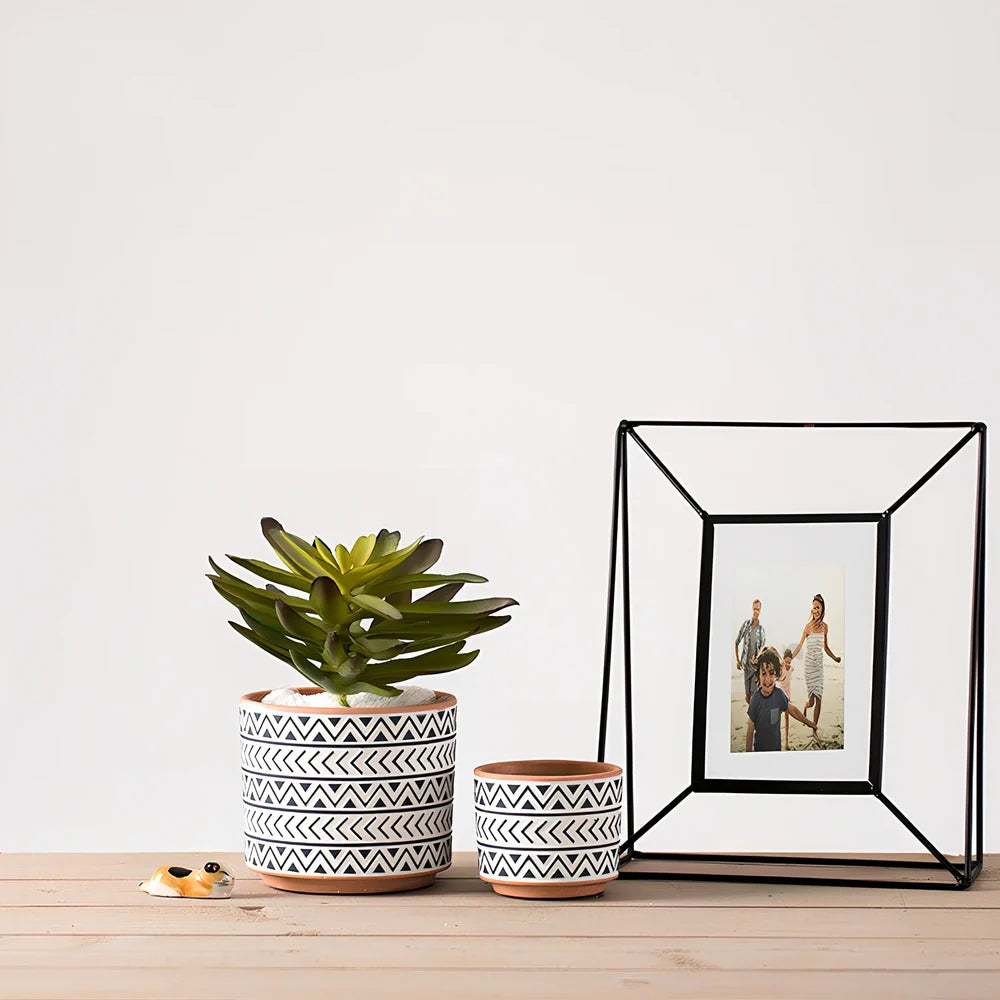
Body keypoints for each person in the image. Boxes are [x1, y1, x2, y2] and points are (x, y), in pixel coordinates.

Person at [746, 647, 817, 752]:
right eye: (763, 673)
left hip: (776, 749)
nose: (767, 679)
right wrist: (748, 754)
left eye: (771, 673)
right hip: (759, 751)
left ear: (777, 674)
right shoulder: (756, 700)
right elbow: (750, 729)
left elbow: (792, 710)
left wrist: (809, 723)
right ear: (758, 675)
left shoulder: (779, 695)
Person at [789, 593, 841, 735]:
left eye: (818, 607)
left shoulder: (825, 627)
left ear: (823, 609)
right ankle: (806, 706)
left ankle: (814, 729)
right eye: (813, 608)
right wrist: (790, 658)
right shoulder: (808, 627)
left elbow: (825, 648)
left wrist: (835, 658)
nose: (815, 610)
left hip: (819, 668)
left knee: (819, 699)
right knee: (811, 702)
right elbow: (799, 646)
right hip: (809, 668)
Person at [734, 599, 766, 705]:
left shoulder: (761, 630)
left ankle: (753, 719)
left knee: (753, 694)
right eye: (754, 609)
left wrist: (758, 659)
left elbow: (762, 649)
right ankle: (752, 713)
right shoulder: (746, 625)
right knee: (747, 697)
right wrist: (738, 660)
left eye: (758, 609)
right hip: (746, 666)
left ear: (760, 610)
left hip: (755, 667)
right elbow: (737, 642)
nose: (756, 611)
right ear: (752, 609)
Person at [779, 648, 794, 750]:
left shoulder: (792, 668)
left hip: (788, 695)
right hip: (780, 694)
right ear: (784, 660)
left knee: (787, 719)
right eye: (786, 661)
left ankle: (787, 742)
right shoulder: (781, 667)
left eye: (790, 661)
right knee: (776, 718)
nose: (788, 664)